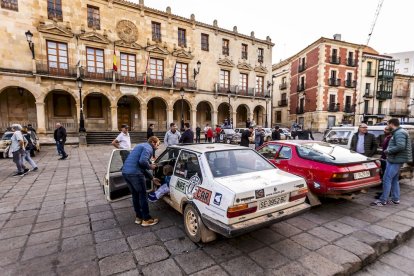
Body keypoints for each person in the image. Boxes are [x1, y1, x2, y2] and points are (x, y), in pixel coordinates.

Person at [371, 119, 412, 206]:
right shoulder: (398, 132)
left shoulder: (399, 132)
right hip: (394, 159)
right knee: (394, 180)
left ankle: (383, 200)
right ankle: (395, 199)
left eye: (388, 124)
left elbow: (401, 146)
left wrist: (388, 151)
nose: (387, 126)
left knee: (387, 179)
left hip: (396, 160)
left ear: (392, 124)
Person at [122, 136, 161, 226]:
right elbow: (143, 162)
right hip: (135, 174)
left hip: (125, 172)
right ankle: (146, 219)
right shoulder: (148, 148)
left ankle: (138, 217)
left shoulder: (140, 146)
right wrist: (151, 166)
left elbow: (141, 165)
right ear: (153, 142)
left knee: (135, 195)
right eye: (157, 144)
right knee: (143, 195)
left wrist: (152, 178)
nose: (157, 147)